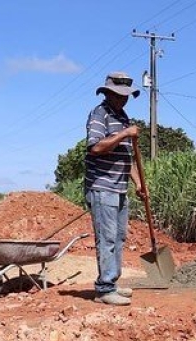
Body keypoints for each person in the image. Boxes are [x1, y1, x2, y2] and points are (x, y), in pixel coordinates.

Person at [85, 71, 144, 306]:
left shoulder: (123, 117)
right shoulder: (100, 114)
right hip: (102, 186)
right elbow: (96, 148)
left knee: (118, 237)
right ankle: (104, 289)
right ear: (107, 93)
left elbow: (126, 157)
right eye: (119, 95)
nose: (123, 99)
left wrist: (138, 183)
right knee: (107, 238)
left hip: (119, 188)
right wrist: (124, 134)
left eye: (126, 96)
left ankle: (112, 283)